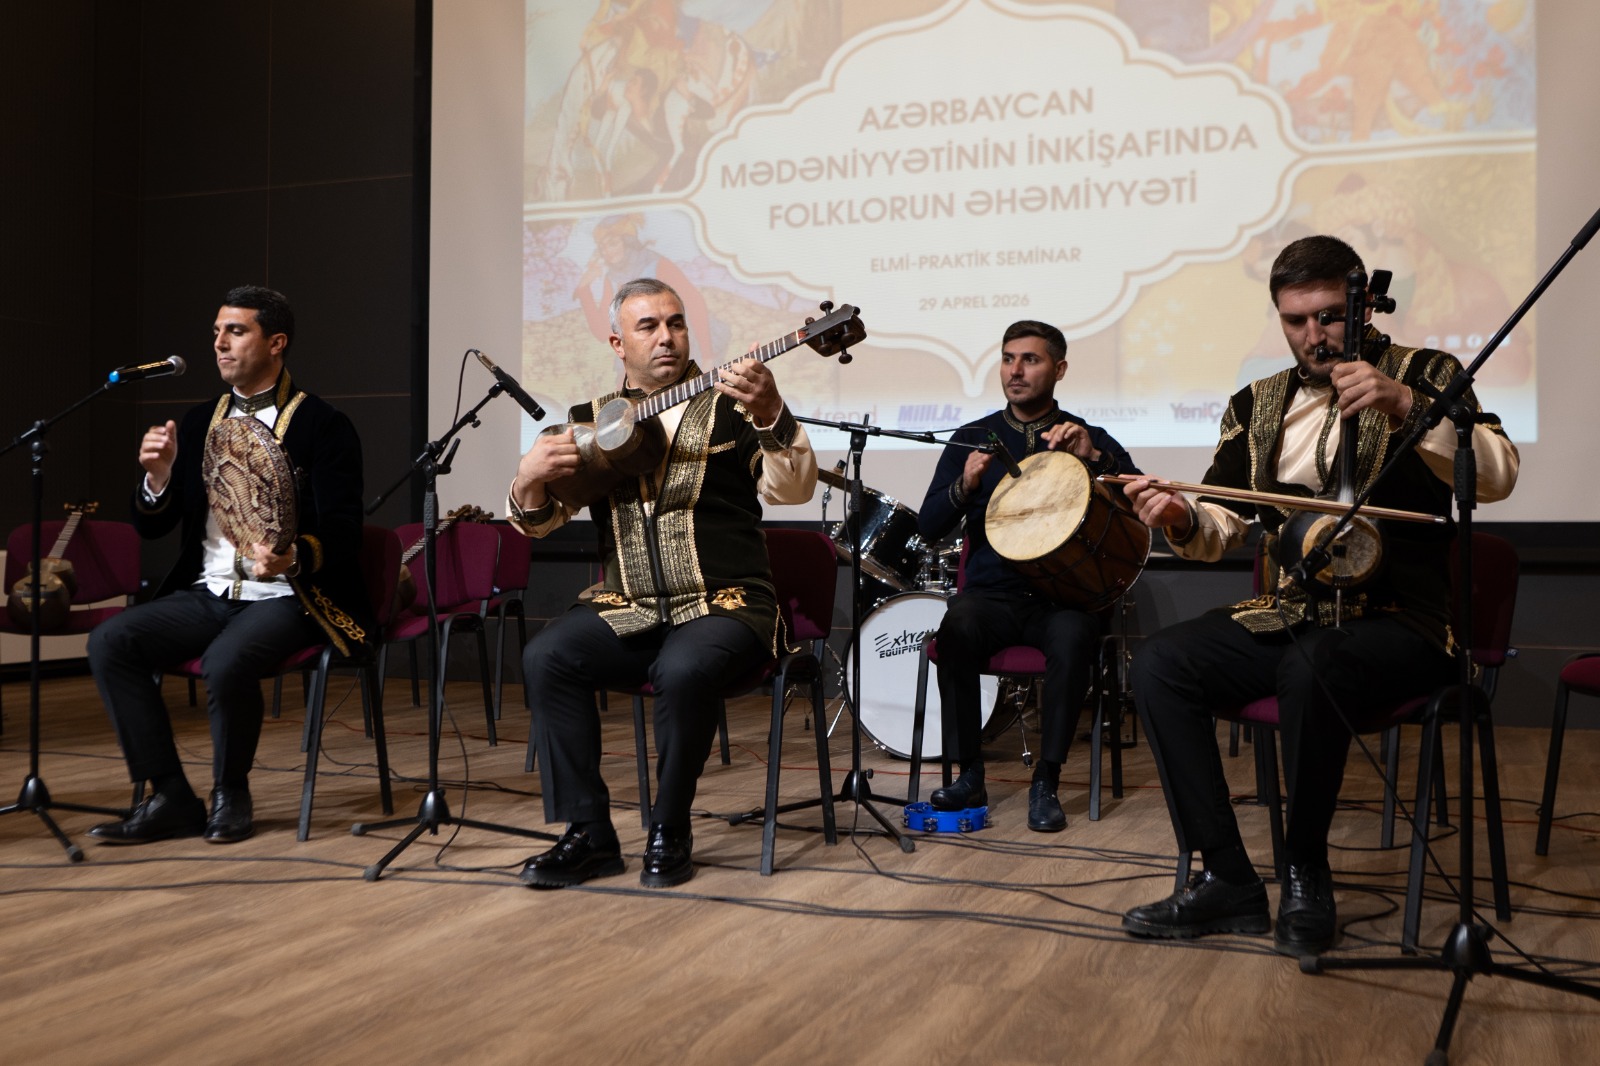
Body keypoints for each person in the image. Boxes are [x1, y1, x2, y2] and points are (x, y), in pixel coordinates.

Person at [1118, 235, 1518, 955]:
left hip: (1405, 622)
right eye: (1296, 320)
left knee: (1312, 667)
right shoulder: (1256, 403)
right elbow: (1222, 519)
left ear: (1360, 308)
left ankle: (1306, 872)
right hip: (1292, 615)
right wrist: (1178, 515)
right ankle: (1229, 878)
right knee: (1160, 663)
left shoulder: (1426, 373)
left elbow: (1497, 475)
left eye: (1329, 316)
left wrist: (1407, 405)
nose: (1314, 335)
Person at [507, 276, 817, 889]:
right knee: (547, 656)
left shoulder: (732, 404)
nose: (667, 337)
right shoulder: (587, 423)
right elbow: (540, 522)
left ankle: (670, 828)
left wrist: (772, 413)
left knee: (683, 667)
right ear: (618, 343)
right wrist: (528, 477)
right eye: (648, 326)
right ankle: (589, 835)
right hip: (630, 606)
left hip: (725, 605)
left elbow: (794, 489)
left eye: (675, 323)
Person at [87, 286, 370, 845]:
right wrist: (158, 479)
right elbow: (153, 526)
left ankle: (231, 792)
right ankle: (170, 795)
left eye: (235, 331)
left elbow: (344, 530)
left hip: (289, 597)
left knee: (225, 662)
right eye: (216, 332)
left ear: (276, 342)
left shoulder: (323, 424)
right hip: (209, 591)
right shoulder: (198, 423)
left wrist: (292, 557)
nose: (219, 343)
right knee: (111, 642)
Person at [917, 320, 1139, 831]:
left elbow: (1135, 503)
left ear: (1059, 370)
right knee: (957, 626)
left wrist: (1095, 459)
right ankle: (970, 773)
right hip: (992, 596)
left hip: (1061, 597)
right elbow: (929, 526)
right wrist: (965, 486)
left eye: (1030, 360)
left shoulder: (1085, 436)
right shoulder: (973, 438)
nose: (1015, 371)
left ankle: (1047, 780)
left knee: (1075, 634)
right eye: (1008, 358)